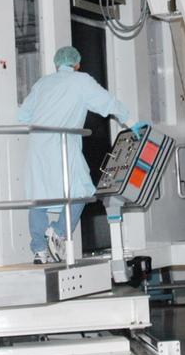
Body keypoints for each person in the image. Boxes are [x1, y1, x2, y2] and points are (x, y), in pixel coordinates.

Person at [18, 46, 146, 264]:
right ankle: (59, 232)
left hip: (38, 145)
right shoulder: (81, 80)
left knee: (39, 196)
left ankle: (39, 250)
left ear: (56, 63)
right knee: (82, 191)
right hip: (62, 144)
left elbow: (23, 115)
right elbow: (107, 102)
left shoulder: (42, 83)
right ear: (76, 64)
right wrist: (132, 122)